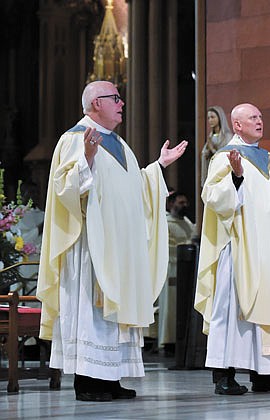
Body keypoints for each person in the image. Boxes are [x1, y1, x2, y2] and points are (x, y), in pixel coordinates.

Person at [37, 80, 188, 402]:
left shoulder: (118, 142)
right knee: (93, 311)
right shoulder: (75, 139)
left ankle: (109, 378)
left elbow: (132, 186)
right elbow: (64, 189)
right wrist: (87, 159)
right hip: (93, 246)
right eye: (115, 98)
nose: (122, 103)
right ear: (95, 104)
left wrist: (159, 166)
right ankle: (88, 381)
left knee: (115, 311)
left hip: (119, 247)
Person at [195, 103, 270, 396]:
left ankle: (265, 374)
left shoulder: (269, 158)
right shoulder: (225, 157)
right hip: (240, 247)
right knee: (232, 309)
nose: (260, 121)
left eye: (260, 116)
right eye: (253, 118)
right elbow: (212, 196)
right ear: (237, 125)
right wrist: (235, 177)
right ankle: (224, 373)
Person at [157, 191, 196, 355]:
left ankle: (182, 340)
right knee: (170, 307)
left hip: (187, 269)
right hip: (172, 267)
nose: (184, 205)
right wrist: (188, 243)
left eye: (185, 202)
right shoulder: (166, 223)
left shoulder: (186, 222)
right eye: (180, 202)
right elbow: (167, 246)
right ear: (171, 204)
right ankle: (168, 342)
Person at [201, 106, 233, 185]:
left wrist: (212, 149)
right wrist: (207, 153)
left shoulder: (228, 137)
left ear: (219, 117)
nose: (210, 120)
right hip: (211, 172)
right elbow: (204, 154)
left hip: (223, 176)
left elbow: (227, 155)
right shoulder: (210, 137)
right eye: (208, 118)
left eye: (212, 117)